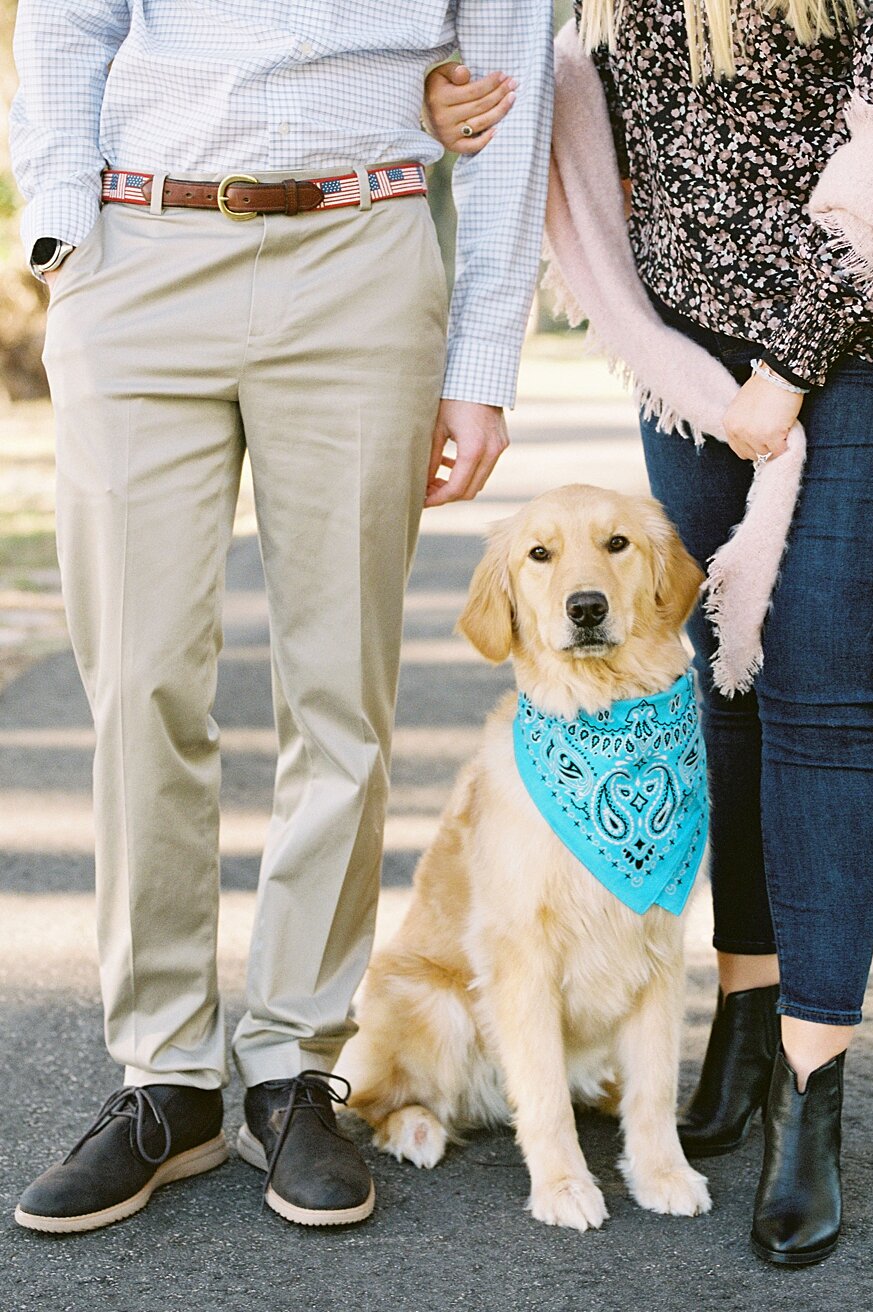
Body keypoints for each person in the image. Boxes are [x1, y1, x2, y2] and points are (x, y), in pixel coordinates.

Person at [427, 0, 873, 1266]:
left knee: (824, 692)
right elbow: (561, 100)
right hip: (687, 363)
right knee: (714, 690)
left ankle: (811, 1092)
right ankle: (741, 1011)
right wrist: (442, 101)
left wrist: (784, 371)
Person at [9, 1, 551, 1232]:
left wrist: (481, 365)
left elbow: (515, 92)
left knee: (338, 691)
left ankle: (294, 1064)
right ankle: (166, 1076)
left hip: (361, 261)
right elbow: (64, 22)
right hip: (141, 251)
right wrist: (62, 233)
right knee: (140, 680)